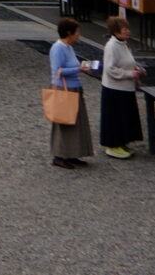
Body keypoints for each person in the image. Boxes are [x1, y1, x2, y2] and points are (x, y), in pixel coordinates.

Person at [49, 16, 96, 168]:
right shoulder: (58, 48)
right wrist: (79, 69)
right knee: (64, 123)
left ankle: (71, 153)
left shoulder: (69, 47)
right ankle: (60, 155)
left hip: (74, 87)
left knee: (75, 122)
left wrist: (80, 67)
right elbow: (58, 71)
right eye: (77, 32)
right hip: (65, 88)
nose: (78, 35)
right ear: (69, 33)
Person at [97, 15, 146, 158]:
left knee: (125, 116)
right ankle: (113, 145)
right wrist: (130, 74)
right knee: (115, 118)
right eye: (124, 29)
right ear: (116, 31)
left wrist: (137, 69)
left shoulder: (123, 44)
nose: (127, 31)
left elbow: (128, 62)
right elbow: (110, 69)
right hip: (114, 88)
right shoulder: (112, 46)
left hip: (125, 87)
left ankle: (123, 142)